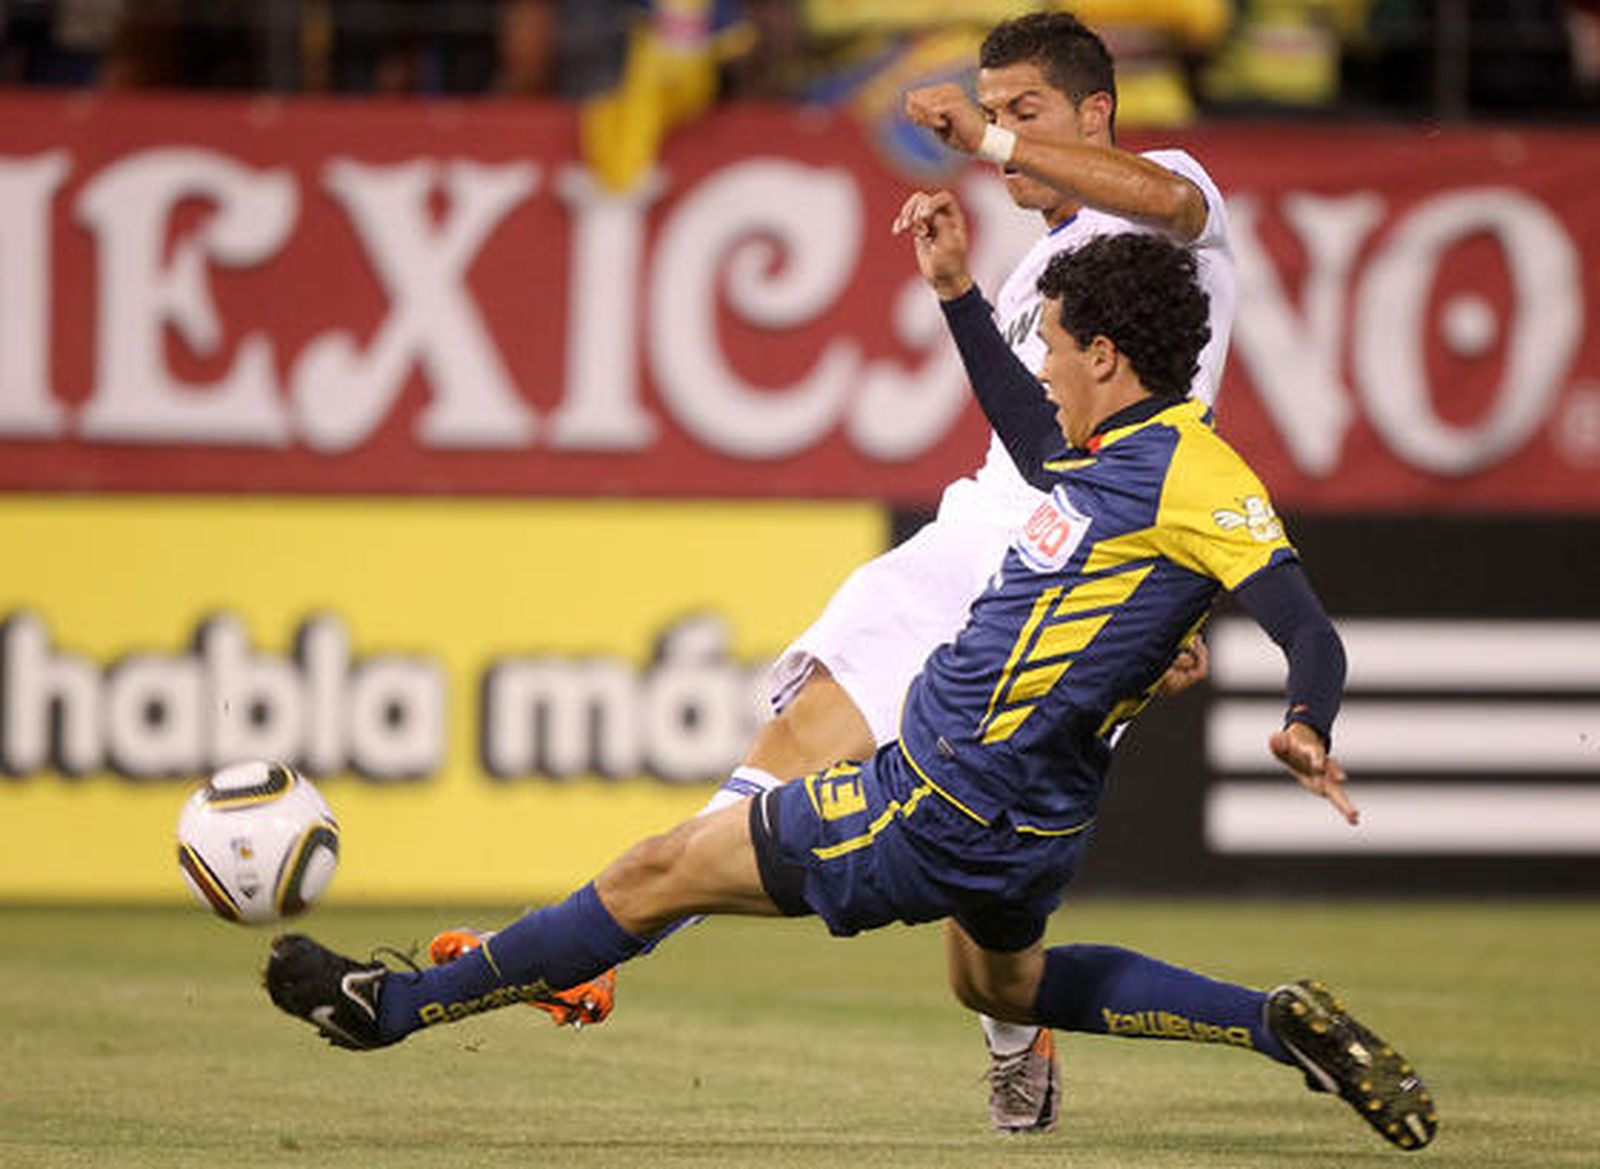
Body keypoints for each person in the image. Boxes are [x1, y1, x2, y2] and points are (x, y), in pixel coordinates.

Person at [265, 232, 1438, 1154]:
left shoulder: (1185, 478)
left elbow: (1305, 628)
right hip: (1036, 825)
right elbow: (1039, 442)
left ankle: (395, 1005)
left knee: (654, 870)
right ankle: (1270, 1021)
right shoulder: (1138, 454)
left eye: (1055, 343)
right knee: (1005, 981)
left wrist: (1304, 718)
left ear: (1105, 357)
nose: (1044, 363)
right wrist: (958, 297)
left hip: (936, 795)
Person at [429, 9, 1235, 1132]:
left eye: (1027, 113)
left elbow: (1168, 214)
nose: (1004, 136)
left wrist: (988, 148)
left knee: (985, 880)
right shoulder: (1037, 266)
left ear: (1095, 114)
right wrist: (957, 287)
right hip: (982, 533)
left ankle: (1015, 1026)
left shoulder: (1171, 196)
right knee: (802, 728)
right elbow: (1031, 437)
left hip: (1068, 566)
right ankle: (607, 943)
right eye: (995, 113)